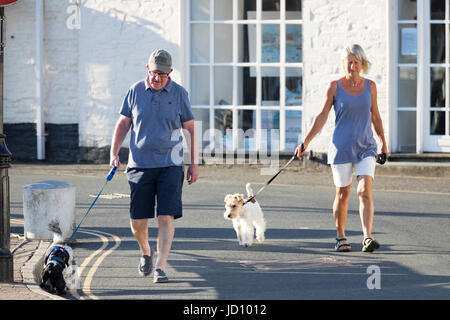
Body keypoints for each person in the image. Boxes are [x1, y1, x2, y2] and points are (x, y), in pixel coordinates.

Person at [110, 49, 198, 282]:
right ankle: (146, 252)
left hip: (171, 163)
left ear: (170, 72)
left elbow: (190, 129)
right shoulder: (135, 91)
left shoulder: (179, 94)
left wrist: (193, 163)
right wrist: (114, 153)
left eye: (162, 74)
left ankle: (160, 266)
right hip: (139, 165)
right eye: (153, 73)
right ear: (147, 69)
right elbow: (123, 124)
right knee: (138, 220)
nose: (157, 78)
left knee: (166, 215)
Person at [295, 44, 388, 253]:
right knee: (342, 194)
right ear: (344, 63)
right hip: (341, 147)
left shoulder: (370, 86)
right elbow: (321, 117)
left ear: (362, 64)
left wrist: (383, 142)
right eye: (349, 61)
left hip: (366, 147)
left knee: (364, 190)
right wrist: (306, 142)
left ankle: (367, 237)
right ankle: (341, 237)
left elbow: (375, 116)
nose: (352, 65)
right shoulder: (334, 86)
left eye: (356, 62)